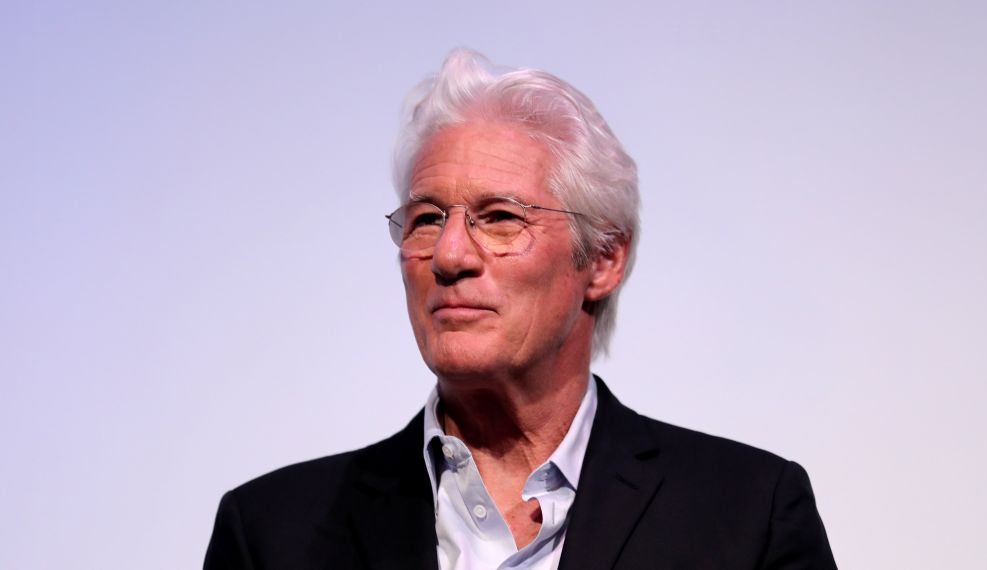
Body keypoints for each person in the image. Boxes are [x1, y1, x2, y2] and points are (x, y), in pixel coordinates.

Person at [204, 48, 837, 569]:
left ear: (604, 258)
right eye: (426, 218)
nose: (449, 254)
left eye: (500, 217)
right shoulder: (270, 535)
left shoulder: (746, 515)